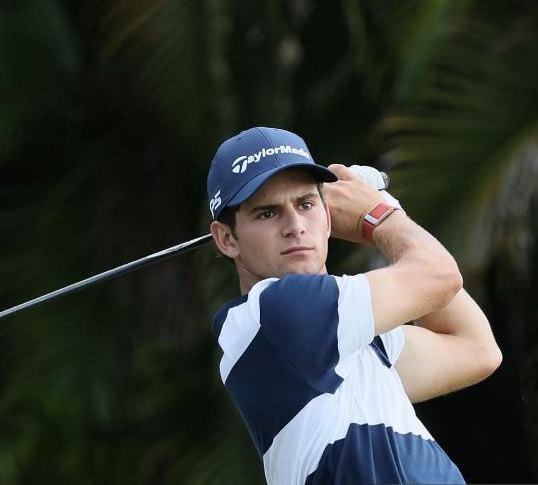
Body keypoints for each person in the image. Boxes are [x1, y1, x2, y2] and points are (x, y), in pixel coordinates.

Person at [206, 127, 502, 484]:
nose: (296, 226)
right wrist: (379, 214)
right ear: (226, 239)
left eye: (306, 204)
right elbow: (439, 275)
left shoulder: (353, 336)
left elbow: (477, 348)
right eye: (268, 214)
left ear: (329, 216)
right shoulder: (277, 314)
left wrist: (385, 214)